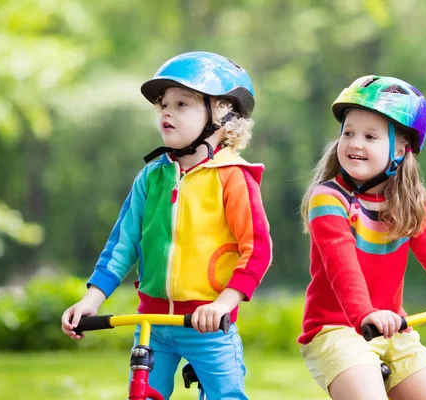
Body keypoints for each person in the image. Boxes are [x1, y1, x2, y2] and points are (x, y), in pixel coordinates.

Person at [61, 51, 272, 399]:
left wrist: (223, 304)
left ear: (222, 116)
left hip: (208, 325)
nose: (166, 112)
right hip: (153, 325)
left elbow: (258, 250)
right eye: (162, 105)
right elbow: (122, 244)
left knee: (226, 395)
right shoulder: (151, 176)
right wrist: (91, 299)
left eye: (181, 103)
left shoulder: (233, 178)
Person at [298, 75, 426, 400]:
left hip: (394, 329)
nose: (355, 143)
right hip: (336, 329)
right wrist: (364, 313)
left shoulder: (408, 201)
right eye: (348, 133)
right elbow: (339, 260)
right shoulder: (329, 198)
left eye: (370, 136)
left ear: (401, 148)